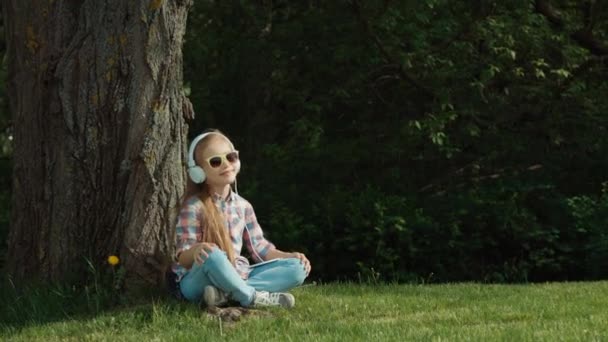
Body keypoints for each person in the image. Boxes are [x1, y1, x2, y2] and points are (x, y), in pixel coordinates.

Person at [171, 129, 310, 309]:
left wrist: (290, 256)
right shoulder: (194, 206)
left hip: (237, 273)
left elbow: (259, 248)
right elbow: (183, 257)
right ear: (198, 172)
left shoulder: (244, 206)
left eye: (230, 157)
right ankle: (250, 297)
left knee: (297, 269)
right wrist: (197, 250)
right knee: (212, 254)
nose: (226, 164)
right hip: (197, 280)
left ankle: (224, 295)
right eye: (215, 161)